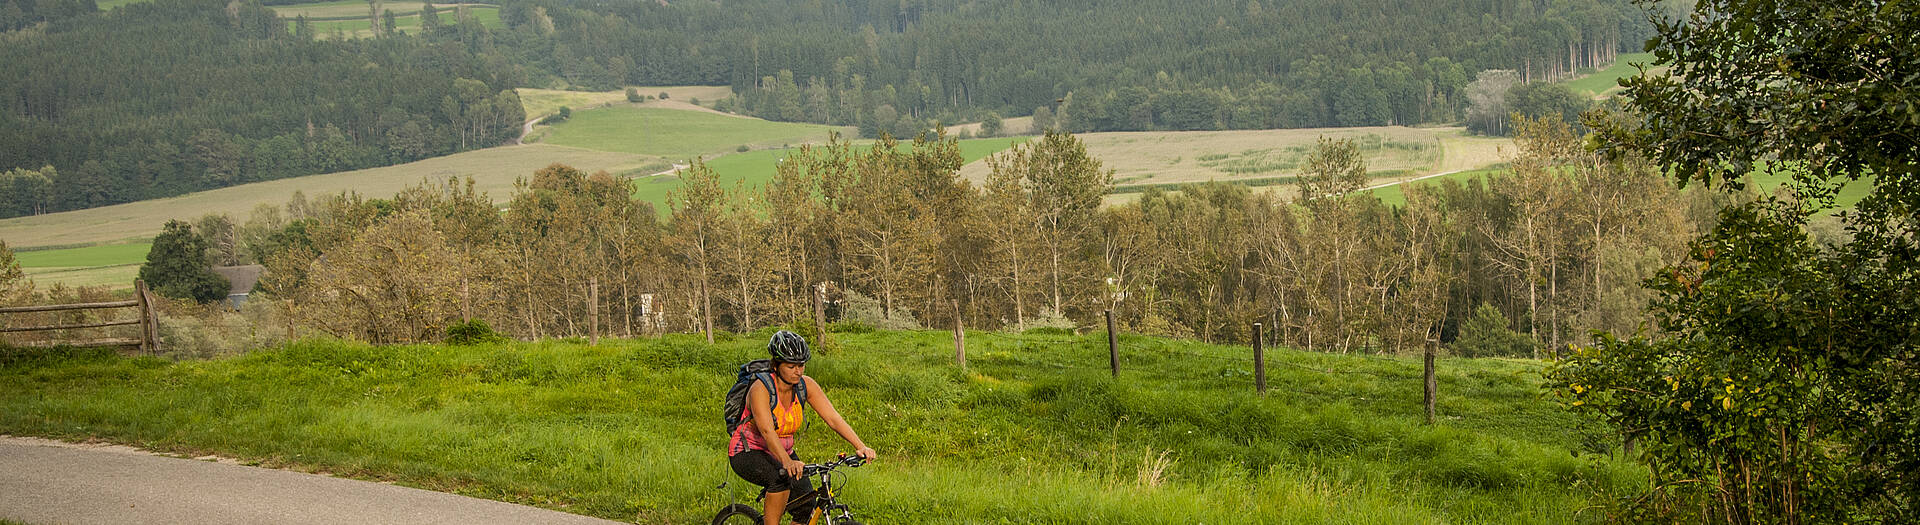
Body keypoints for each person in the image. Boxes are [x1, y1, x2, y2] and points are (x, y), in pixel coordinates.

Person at [728, 330, 877, 525]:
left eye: (801, 365)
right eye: (791, 366)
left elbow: (833, 418)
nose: (798, 371)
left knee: (806, 508)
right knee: (779, 480)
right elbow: (766, 430)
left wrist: (860, 445)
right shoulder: (760, 389)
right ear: (776, 365)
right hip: (748, 451)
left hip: (784, 452)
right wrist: (787, 461)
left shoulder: (805, 386)